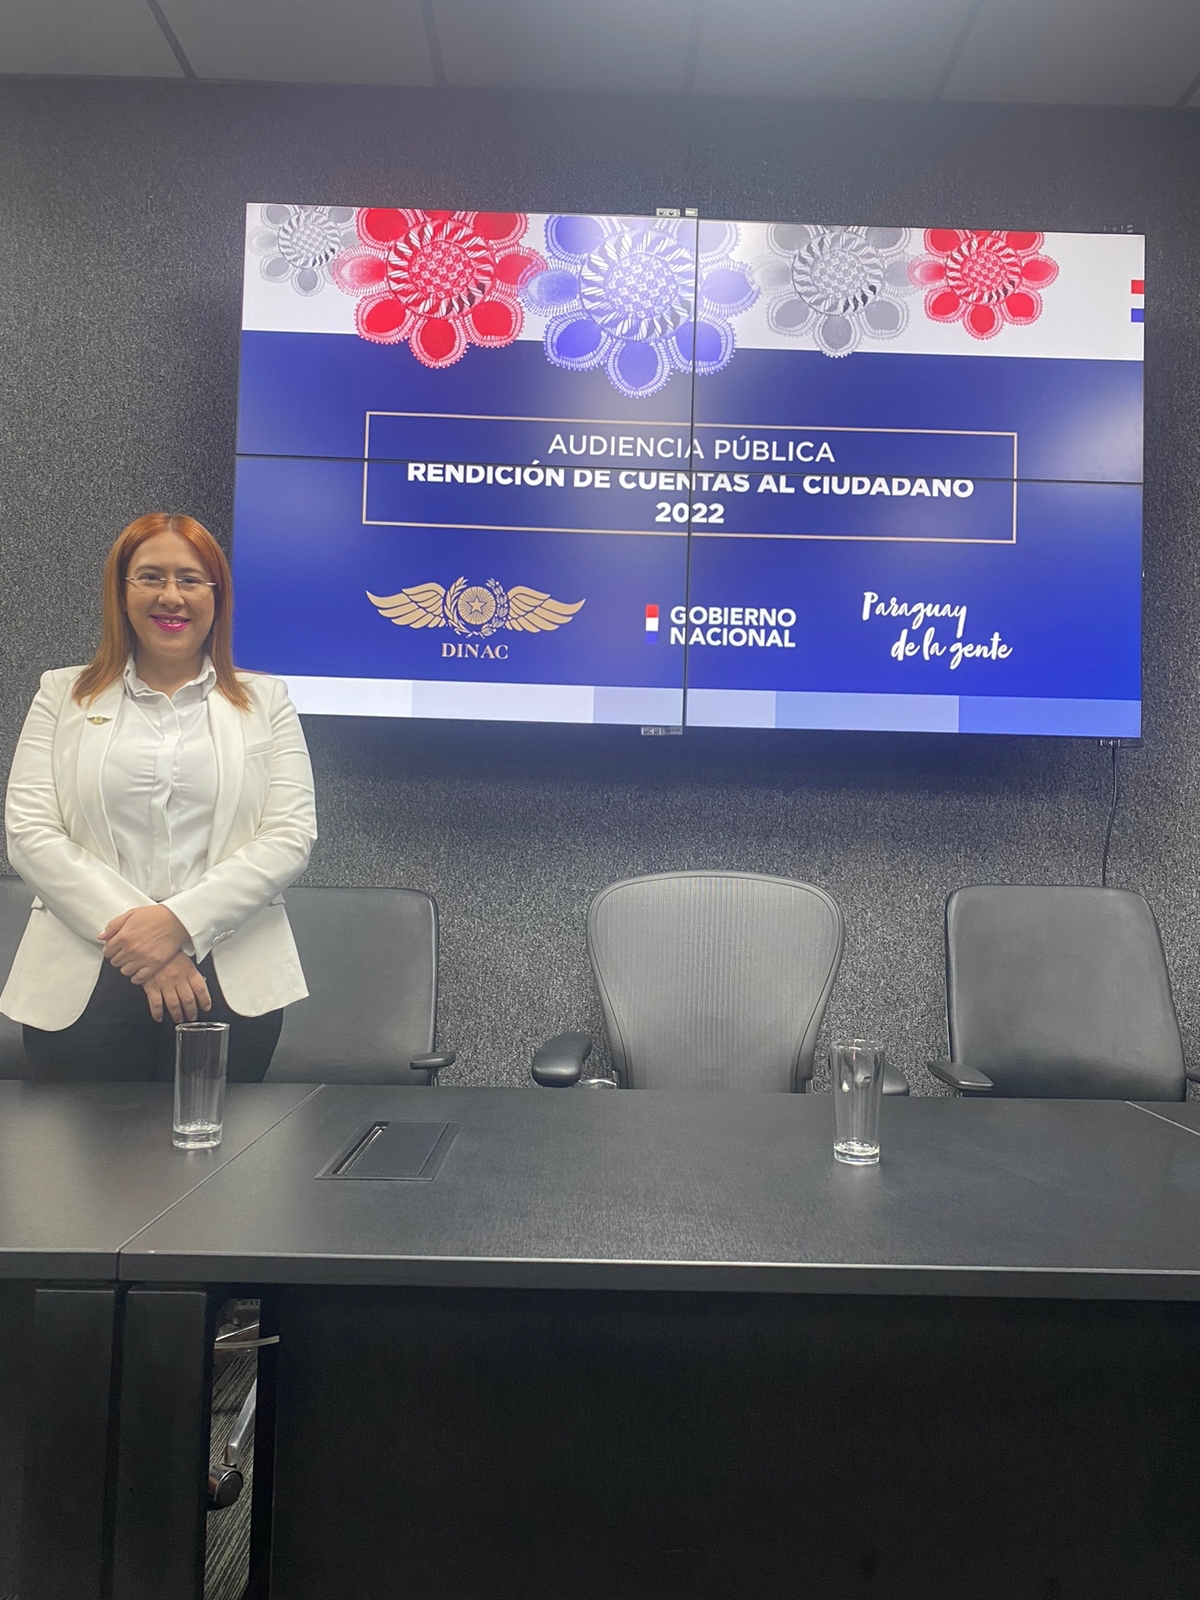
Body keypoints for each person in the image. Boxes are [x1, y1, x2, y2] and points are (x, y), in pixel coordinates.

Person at [1, 512, 317, 1082]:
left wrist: (179, 923)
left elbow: (289, 836)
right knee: (71, 1144)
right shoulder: (61, 694)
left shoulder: (265, 701)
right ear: (121, 592)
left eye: (191, 579)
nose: (171, 596)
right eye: (150, 577)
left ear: (216, 596)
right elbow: (30, 833)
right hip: (84, 975)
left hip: (226, 976)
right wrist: (150, 946)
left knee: (220, 1141)